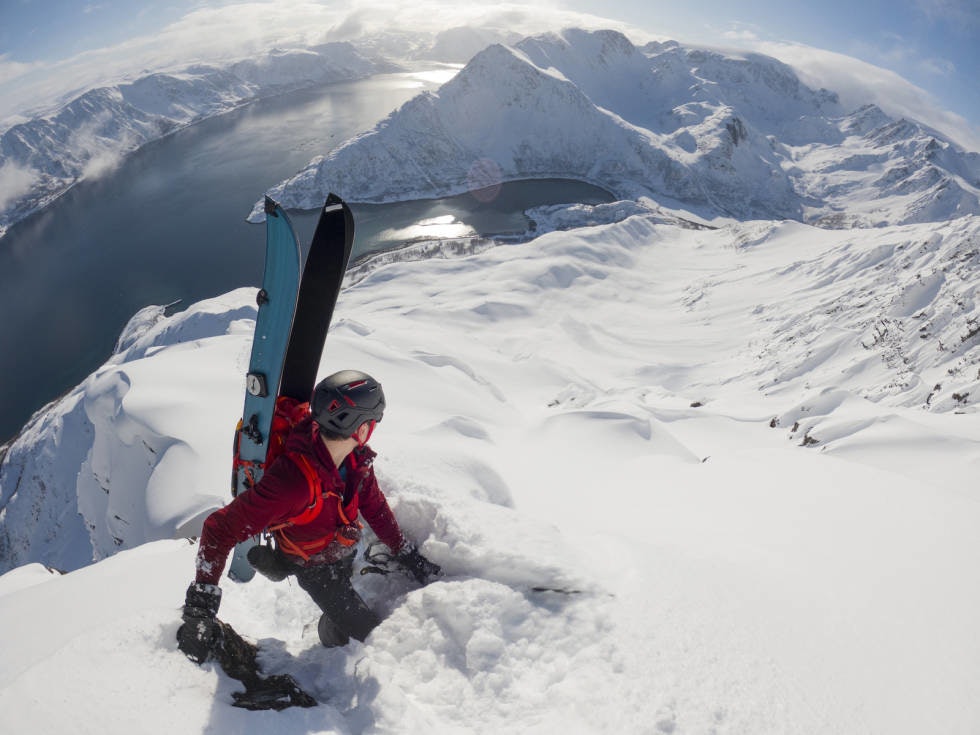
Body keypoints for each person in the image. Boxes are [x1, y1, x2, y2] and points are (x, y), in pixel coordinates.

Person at [177, 370, 440, 664]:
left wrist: (404, 551)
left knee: (345, 595)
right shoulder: (293, 483)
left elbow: (373, 506)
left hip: (340, 547)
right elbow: (218, 529)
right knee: (372, 637)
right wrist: (200, 608)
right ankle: (327, 629)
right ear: (361, 428)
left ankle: (330, 615)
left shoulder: (355, 460)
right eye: (372, 422)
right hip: (315, 569)